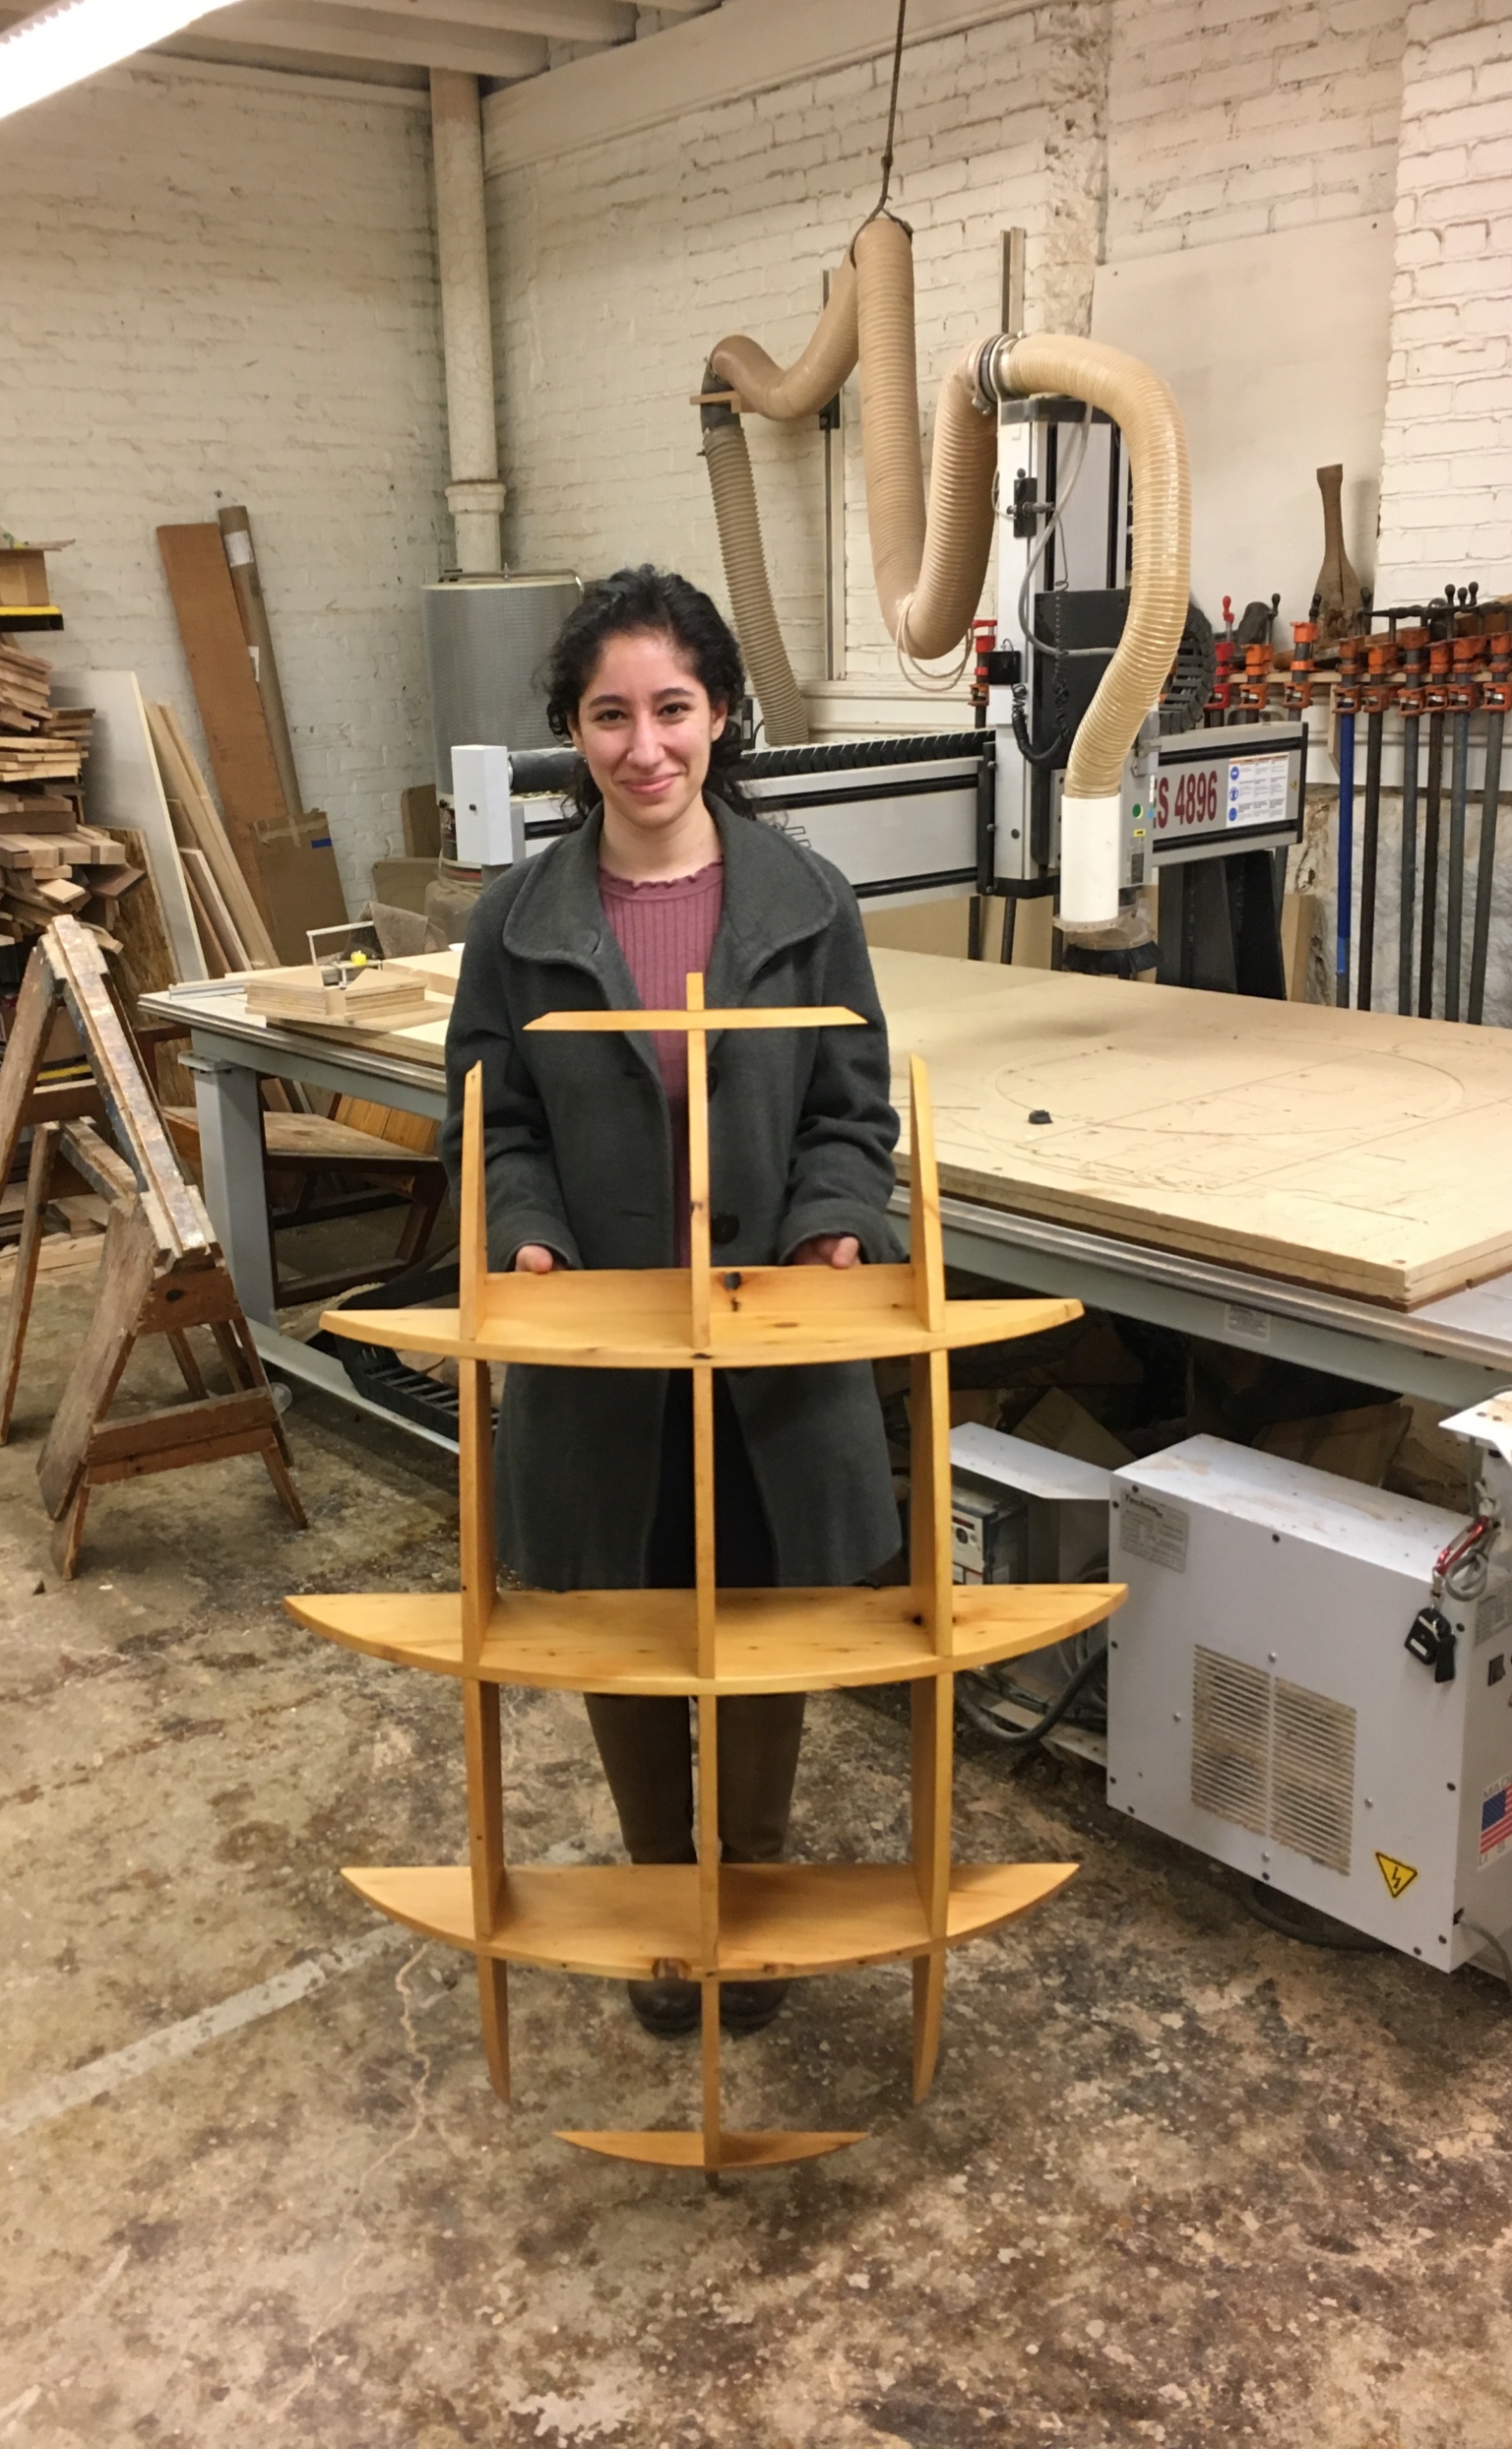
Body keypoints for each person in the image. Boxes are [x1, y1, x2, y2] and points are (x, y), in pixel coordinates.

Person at [439, 565, 902, 2039]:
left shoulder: (804, 898)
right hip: (601, 1350)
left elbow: (851, 1109)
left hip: (772, 1348)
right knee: (627, 1629)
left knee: (763, 1623)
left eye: (674, 709)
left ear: (721, 715)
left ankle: (745, 1903)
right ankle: (659, 1908)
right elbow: (492, 1119)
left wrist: (835, 1227)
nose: (646, 747)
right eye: (610, 715)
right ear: (572, 733)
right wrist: (525, 1236)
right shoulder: (516, 921)